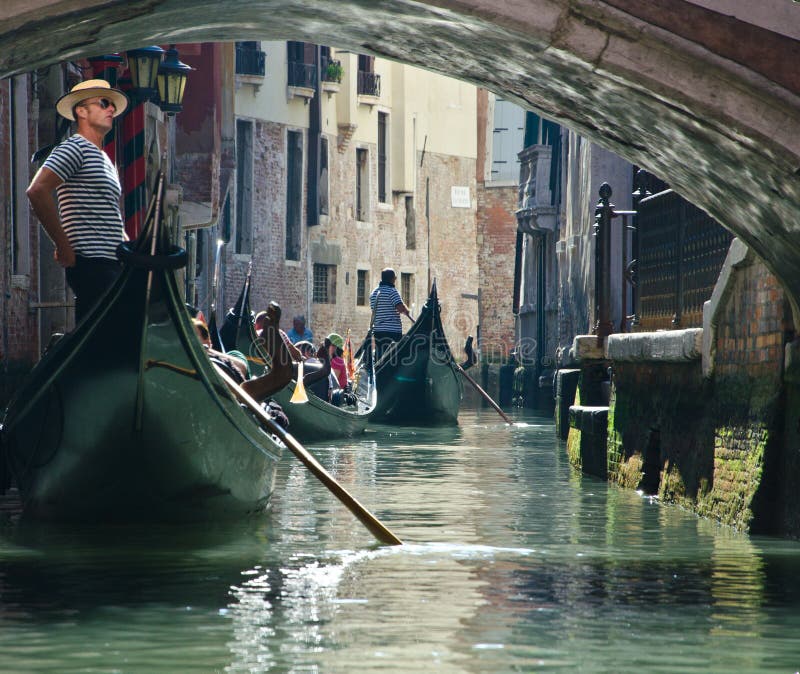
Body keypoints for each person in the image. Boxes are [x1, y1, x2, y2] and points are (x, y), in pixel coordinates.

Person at [26, 79, 130, 323]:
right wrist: (63, 246)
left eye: (112, 105)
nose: (111, 109)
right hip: (91, 263)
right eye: (104, 103)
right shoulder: (74, 147)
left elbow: (109, 215)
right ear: (81, 111)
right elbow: (37, 191)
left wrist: (132, 249)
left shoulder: (104, 158)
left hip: (112, 262)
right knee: (105, 333)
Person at [369, 268, 411, 358]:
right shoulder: (392, 291)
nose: (395, 280)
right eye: (394, 278)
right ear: (392, 279)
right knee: (394, 357)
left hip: (378, 331)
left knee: (381, 356)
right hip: (392, 331)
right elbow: (401, 309)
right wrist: (407, 310)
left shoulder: (373, 293)